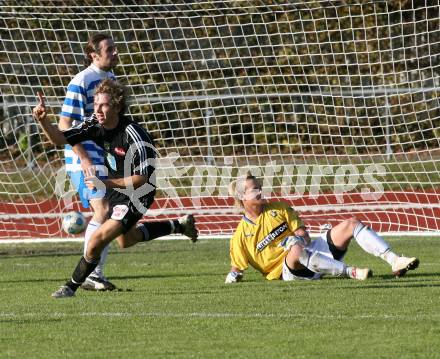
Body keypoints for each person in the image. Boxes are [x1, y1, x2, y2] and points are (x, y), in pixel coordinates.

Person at [32, 79, 198, 298]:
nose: (98, 110)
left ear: (118, 107)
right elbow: (59, 138)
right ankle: (178, 226)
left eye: (104, 105)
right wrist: (43, 121)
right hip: (115, 188)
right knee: (126, 240)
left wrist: (106, 183)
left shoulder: (135, 136)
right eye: (96, 104)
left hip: (138, 192)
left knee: (96, 242)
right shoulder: (95, 123)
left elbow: (142, 177)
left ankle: (70, 287)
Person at [224, 174, 419, 283]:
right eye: (254, 189)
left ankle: (395, 260)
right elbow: (237, 269)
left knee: (351, 223)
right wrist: (233, 277)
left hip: (312, 251)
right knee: (295, 251)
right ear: (243, 197)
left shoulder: (280, 208)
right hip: (291, 271)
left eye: (260, 186)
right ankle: (351, 272)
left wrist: (298, 239)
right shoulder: (239, 236)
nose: (261, 191)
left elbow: (303, 235)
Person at [60, 33, 119, 291]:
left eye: (115, 48)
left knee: (114, 213)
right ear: (94, 55)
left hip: (103, 155)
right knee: (103, 210)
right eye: (109, 49)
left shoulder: (111, 80)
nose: (115, 53)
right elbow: (64, 124)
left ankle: (95, 273)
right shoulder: (81, 81)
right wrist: (84, 159)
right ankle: (92, 274)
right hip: (82, 156)